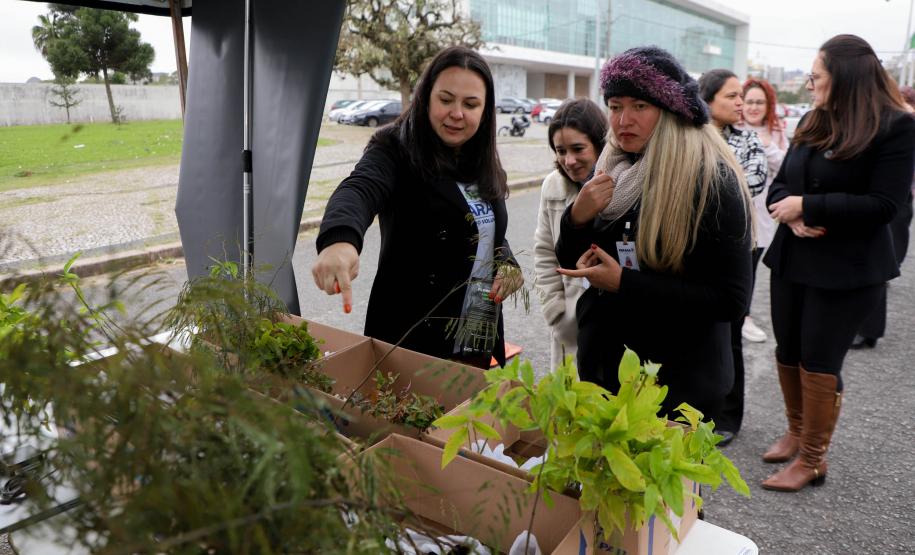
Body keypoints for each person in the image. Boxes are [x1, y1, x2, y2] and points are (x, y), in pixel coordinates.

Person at [556, 46, 754, 422]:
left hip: (675, 389)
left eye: (639, 106)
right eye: (614, 106)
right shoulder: (612, 168)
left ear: (671, 110)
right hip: (607, 372)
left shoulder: (712, 181)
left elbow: (731, 301)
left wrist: (625, 283)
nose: (622, 120)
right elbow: (570, 262)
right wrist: (576, 219)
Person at [761, 35, 915, 492]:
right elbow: (779, 187)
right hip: (794, 254)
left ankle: (812, 458)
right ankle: (796, 430)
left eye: (816, 77)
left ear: (843, 77)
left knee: (819, 360)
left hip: (847, 267)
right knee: (787, 350)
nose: (809, 85)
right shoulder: (813, 119)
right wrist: (791, 211)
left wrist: (810, 206)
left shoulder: (895, 127)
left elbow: (884, 204)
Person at [312, 46, 521, 369]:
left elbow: (484, 230)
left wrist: (506, 262)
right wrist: (339, 239)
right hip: (413, 340)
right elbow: (360, 188)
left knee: (465, 419)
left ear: (485, 110)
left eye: (471, 104)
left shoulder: (482, 162)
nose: (457, 113)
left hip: (475, 335)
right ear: (426, 98)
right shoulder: (394, 149)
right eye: (446, 99)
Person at [698, 69, 768, 445]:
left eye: (742, 96)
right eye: (732, 96)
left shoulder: (748, 140)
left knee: (732, 326)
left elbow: (752, 181)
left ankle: (728, 416)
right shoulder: (689, 135)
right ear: (707, 100)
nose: (741, 103)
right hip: (694, 245)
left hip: (742, 246)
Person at [533, 99, 608, 372]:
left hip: (613, 323)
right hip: (569, 327)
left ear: (600, 144)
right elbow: (544, 251)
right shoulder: (552, 186)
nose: (569, 160)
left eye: (578, 149)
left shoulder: (622, 185)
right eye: (560, 150)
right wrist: (556, 310)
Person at [850, 85, 915, 349]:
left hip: (895, 201)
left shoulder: (903, 122)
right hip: (897, 200)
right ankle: (867, 328)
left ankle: (869, 330)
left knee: (879, 264)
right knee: (878, 263)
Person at [738, 78, 788, 343]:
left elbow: (786, 168)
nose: (754, 107)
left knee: (752, 266)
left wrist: (766, 145)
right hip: (736, 210)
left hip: (763, 214)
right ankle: (734, 315)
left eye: (759, 102)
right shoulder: (732, 128)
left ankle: (744, 317)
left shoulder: (776, 131)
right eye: (749, 101)